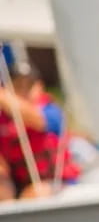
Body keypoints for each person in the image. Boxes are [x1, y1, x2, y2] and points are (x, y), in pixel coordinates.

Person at [0, 61, 80, 200]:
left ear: (40, 86)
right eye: (18, 86)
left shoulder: (52, 112)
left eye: (29, 86)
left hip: (60, 186)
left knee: (37, 192)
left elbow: (35, 119)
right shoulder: (3, 123)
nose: (24, 91)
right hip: (20, 187)